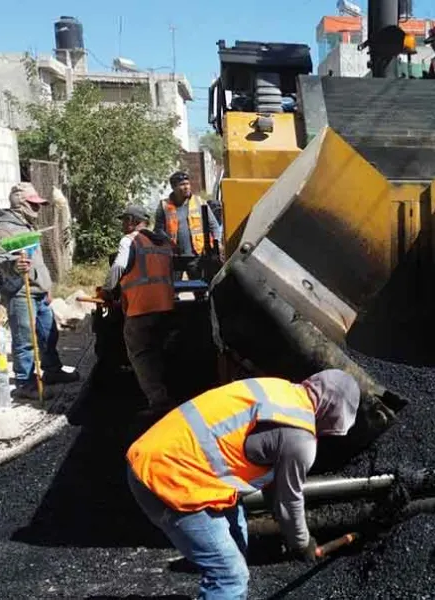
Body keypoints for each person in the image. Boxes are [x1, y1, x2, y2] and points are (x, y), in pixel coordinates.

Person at [126, 370, 361, 600]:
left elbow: (274, 485)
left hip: (160, 454)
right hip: (168, 479)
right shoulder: (300, 440)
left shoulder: (279, 389)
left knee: (238, 542)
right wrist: (302, 544)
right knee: (230, 576)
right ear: (334, 416)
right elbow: (288, 501)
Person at [0, 183, 79, 400]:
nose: (38, 209)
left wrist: (46, 287)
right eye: (34, 204)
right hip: (22, 292)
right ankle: (25, 383)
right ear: (21, 203)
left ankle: (52, 371)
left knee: (49, 334)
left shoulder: (27, 226)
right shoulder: (4, 228)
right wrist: (14, 267)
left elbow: (37, 262)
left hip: (38, 292)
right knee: (25, 340)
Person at [99, 204, 175, 414]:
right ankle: (168, 392)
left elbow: (118, 267)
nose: (123, 225)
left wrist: (107, 291)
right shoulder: (163, 243)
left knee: (140, 354)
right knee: (157, 351)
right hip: (165, 307)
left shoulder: (130, 240)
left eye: (124, 220)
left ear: (132, 221)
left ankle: (158, 403)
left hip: (141, 308)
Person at [154, 171, 222, 280]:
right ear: (173, 187)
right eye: (182, 184)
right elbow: (158, 230)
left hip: (197, 256)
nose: (186, 187)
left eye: (187, 184)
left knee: (200, 290)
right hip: (173, 257)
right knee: (172, 291)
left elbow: (214, 226)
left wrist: (217, 244)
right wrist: (168, 242)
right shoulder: (164, 206)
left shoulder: (199, 202)